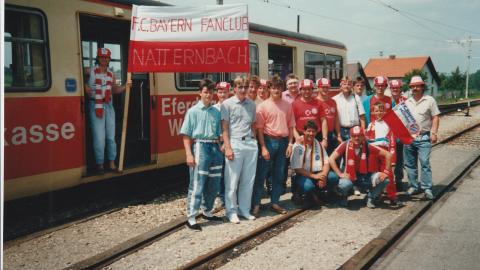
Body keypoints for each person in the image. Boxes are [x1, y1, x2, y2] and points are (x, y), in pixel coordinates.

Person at [180, 79, 224, 231]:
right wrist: (189, 154)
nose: (209, 95)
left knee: (214, 183)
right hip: (200, 146)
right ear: (200, 93)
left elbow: (219, 135)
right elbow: (186, 135)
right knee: (197, 183)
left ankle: (207, 211)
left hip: (215, 147)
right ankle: (191, 217)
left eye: (211, 92)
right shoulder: (193, 111)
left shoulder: (216, 112)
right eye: (206, 92)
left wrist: (222, 148)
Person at [252, 75, 296, 216]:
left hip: (283, 142)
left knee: (278, 175)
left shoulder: (288, 106)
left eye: (279, 88)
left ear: (282, 89)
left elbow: (291, 127)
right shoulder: (262, 106)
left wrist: (290, 143)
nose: (276, 90)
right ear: (269, 89)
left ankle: (275, 202)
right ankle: (256, 204)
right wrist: (263, 147)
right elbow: (259, 129)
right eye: (273, 87)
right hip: (268, 141)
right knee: (261, 174)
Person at [84, 48, 131, 173]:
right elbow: (75, 71)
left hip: (109, 106)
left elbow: (114, 90)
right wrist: (85, 85)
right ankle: (99, 164)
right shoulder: (90, 71)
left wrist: (125, 87)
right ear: (98, 58)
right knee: (99, 137)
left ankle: (111, 162)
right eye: (102, 57)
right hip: (95, 105)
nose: (104, 59)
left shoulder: (111, 74)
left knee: (111, 136)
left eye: (106, 57)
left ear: (109, 59)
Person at [221, 77, 258, 223]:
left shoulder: (252, 104)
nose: (243, 90)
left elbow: (253, 124)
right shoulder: (227, 104)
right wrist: (228, 147)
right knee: (232, 180)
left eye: (245, 87)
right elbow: (224, 128)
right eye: (240, 87)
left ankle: (244, 210)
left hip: (249, 144)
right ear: (234, 88)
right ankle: (231, 211)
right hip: (235, 143)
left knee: (248, 180)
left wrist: (254, 140)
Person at [328, 126, 392, 208]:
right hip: (349, 176)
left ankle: (370, 198)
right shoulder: (345, 145)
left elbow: (388, 155)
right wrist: (340, 174)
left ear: (363, 136)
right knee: (344, 184)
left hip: (364, 176)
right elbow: (331, 159)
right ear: (350, 136)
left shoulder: (367, 145)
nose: (357, 138)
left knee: (385, 180)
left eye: (359, 135)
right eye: (354, 136)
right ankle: (344, 197)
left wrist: (386, 172)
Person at [403, 76, 440, 200]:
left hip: (424, 137)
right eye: (413, 86)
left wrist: (434, 133)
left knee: (424, 162)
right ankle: (413, 186)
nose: (415, 88)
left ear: (422, 87)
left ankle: (427, 188)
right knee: (410, 164)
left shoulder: (430, 100)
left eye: (417, 86)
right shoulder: (407, 102)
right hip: (409, 138)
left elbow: (435, 117)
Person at [290, 120, 338, 206]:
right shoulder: (298, 145)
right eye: (309, 131)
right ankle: (299, 193)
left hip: (317, 173)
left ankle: (320, 194)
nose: (311, 133)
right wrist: (315, 176)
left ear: (316, 132)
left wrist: (323, 176)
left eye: (313, 131)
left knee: (333, 177)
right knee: (308, 187)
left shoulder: (318, 144)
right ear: (304, 131)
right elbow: (298, 169)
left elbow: (326, 162)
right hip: (302, 175)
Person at [365, 102, 400, 205]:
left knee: (388, 173)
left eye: (381, 110)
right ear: (373, 112)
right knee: (375, 175)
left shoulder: (388, 124)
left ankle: (392, 196)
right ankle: (376, 195)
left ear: (384, 111)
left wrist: (392, 158)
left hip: (385, 151)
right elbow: (367, 140)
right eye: (376, 111)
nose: (379, 112)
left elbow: (392, 141)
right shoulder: (371, 124)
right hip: (374, 153)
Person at [332, 77, 366, 141]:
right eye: (344, 84)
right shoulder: (335, 99)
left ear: (351, 86)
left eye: (349, 84)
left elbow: (362, 116)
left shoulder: (356, 98)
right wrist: (338, 135)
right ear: (341, 86)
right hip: (341, 131)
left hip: (355, 130)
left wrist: (363, 131)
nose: (346, 86)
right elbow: (335, 119)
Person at [390, 79, 407, 191]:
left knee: (400, 159)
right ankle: (389, 181)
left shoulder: (405, 101)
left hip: (401, 134)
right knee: (389, 159)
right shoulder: (387, 101)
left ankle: (399, 180)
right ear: (390, 89)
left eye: (397, 88)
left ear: (400, 89)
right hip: (389, 134)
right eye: (393, 88)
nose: (395, 90)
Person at [316, 78, 342, 154]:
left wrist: (338, 135)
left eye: (327, 87)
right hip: (318, 135)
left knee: (331, 157)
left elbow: (336, 119)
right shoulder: (314, 102)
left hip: (331, 134)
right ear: (318, 88)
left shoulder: (333, 102)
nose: (325, 89)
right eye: (323, 87)